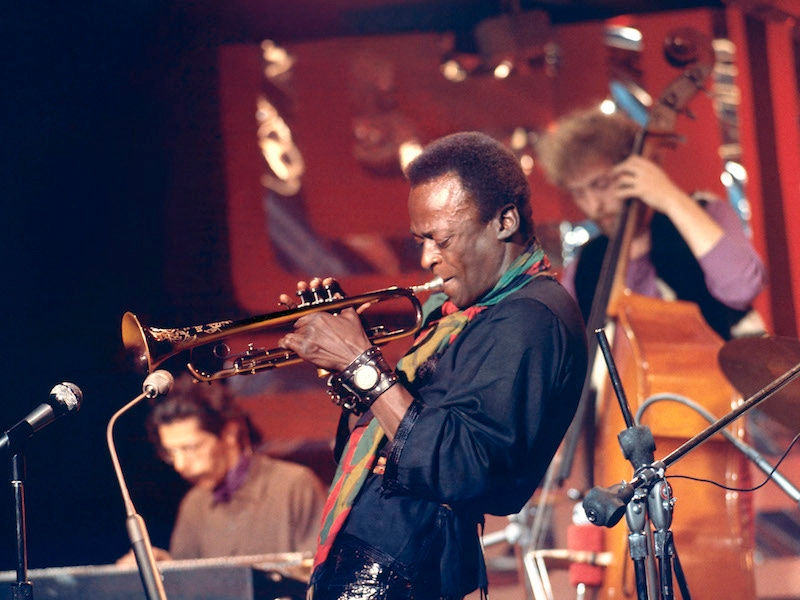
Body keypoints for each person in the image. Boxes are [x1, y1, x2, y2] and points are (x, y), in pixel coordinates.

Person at [276, 131, 588, 599]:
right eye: (420, 240)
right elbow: (413, 423)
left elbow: (461, 467)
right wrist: (345, 368)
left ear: (504, 222)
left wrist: (361, 364)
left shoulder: (530, 317)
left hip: (401, 567)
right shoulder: (460, 314)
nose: (427, 259)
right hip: (383, 550)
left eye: (440, 239)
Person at [535, 106, 767, 340]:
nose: (593, 206)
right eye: (579, 193)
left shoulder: (704, 212)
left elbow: (742, 289)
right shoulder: (586, 264)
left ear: (638, 170)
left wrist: (670, 197)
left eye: (602, 184)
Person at [119, 374, 327, 563]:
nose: (180, 466)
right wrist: (164, 567)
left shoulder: (294, 485)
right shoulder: (193, 504)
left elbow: (321, 575)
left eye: (191, 448)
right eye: (171, 453)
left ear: (229, 434)